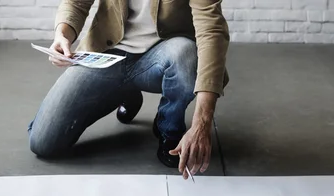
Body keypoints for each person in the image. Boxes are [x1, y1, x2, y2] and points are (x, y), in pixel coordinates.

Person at [28, 0, 229, 179]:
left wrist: (202, 123)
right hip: (108, 54)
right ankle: (126, 92)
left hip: (163, 55)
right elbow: (76, 3)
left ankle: (168, 127)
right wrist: (62, 35)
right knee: (43, 143)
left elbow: (211, 30)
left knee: (186, 55)